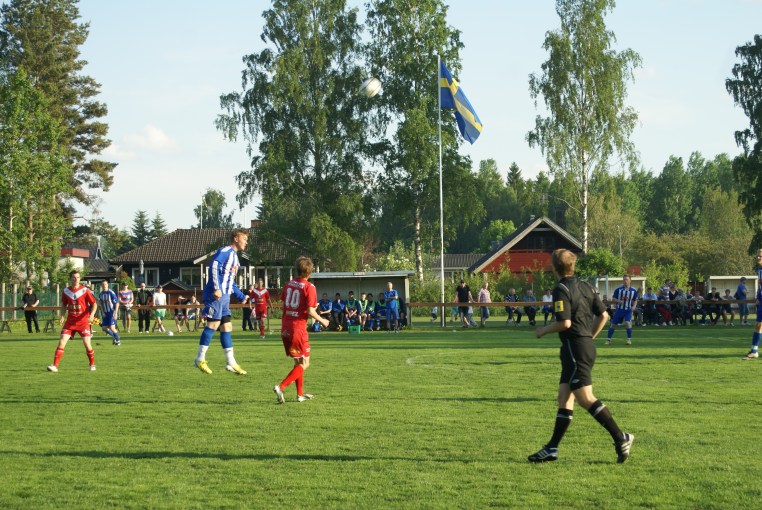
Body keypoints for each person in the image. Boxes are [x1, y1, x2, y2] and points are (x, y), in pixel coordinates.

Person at [529, 249, 633, 463]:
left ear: (554, 268)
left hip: (575, 348)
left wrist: (543, 330)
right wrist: (589, 337)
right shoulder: (587, 286)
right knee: (564, 397)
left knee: (585, 398)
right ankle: (552, 448)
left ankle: (621, 437)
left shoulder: (561, 289)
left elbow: (565, 323)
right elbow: (604, 315)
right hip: (580, 346)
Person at [273, 256, 330, 404]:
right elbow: (310, 311)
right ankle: (281, 387)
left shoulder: (288, 284)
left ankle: (299, 394)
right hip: (298, 329)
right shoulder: (309, 287)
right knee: (305, 363)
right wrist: (323, 320)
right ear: (310, 272)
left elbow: (285, 303)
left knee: (298, 362)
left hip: (285, 327)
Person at [194, 229, 250, 375]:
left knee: (227, 327)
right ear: (236, 238)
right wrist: (217, 288)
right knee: (213, 324)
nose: (246, 242)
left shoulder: (235, 258)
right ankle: (199, 358)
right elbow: (213, 266)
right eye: (244, 239)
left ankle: (230, 362)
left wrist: (241, 296)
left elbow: (230, 281)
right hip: (216, 296)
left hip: (225, 297)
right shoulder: (225, 251)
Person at [47, 269, 98, 372]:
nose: (76, 279)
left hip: (83, 322)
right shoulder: (66, 291)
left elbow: (94, 304)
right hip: (70, 322)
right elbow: (64, 305)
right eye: (74, 278)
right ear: (70, 279)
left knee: (87, 344)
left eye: (78, 277)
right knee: (62, 341)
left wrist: (92, 315)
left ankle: (92, 365)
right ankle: (55, 366)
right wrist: (62, 316)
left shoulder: (85, 290)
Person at [606, 274, 638, 346]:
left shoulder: (633, 290)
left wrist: (634, 306)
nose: (625, 281)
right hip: (619, 310)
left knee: (627, 323)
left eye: (626, 279)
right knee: (613, 324)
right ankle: (608, 339)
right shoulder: (618, 289)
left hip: (628, 310)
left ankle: (629, 340)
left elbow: (635, 300)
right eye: (624, 279)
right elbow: (614, 298)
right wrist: (618, 301)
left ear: (630, 280)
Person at [743, 249, 762, 359]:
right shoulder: (759, 269)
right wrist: (758, 297)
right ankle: (754, 351)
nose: (758, 258)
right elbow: (760, 286)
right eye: (757, 256)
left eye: (760, 256)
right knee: (758, 325)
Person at [98, 280, 121, 346]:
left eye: (105, 284)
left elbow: (117, 303)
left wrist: (115, 313)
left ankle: (118, 340)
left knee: (112, 327)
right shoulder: (101, 294)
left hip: (111, 312)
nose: (104, 286)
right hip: (105, 313)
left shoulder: (111, 293)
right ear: (101, 286)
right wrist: (102, 312)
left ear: (107, 285)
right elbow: (101, 304)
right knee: (104, 328)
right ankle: (115, 337)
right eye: (103, 284)